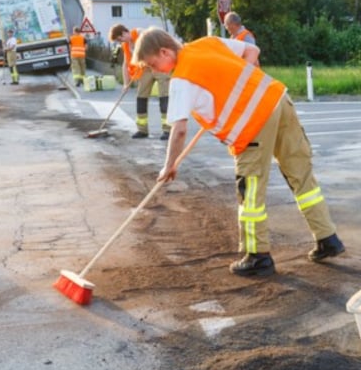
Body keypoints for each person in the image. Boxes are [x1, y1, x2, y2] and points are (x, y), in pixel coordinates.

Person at [132, 27, 345, 277]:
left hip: (253, 125)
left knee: (251, 191)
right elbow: (252, 51)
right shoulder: (208, 43)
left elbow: (179, 130)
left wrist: (169, 165)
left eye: (153, 64)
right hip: (278, 101)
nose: (155, 71)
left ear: (165, 51)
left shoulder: (182, 79)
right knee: (301, 175)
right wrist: (239, 83)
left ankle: (258, 256)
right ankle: (327, 238)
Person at [109, 24, 171, 140]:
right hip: (145, 70)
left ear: (124, 32)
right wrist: (126, 83)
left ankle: (167, 130)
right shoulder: (126, 46)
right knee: (141, 97)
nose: (120, 41)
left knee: (164, 96)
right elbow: (126, 64)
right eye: (118, 40)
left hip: (159, 65)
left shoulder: (141, 33)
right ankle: (142, 130)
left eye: (120, 38)